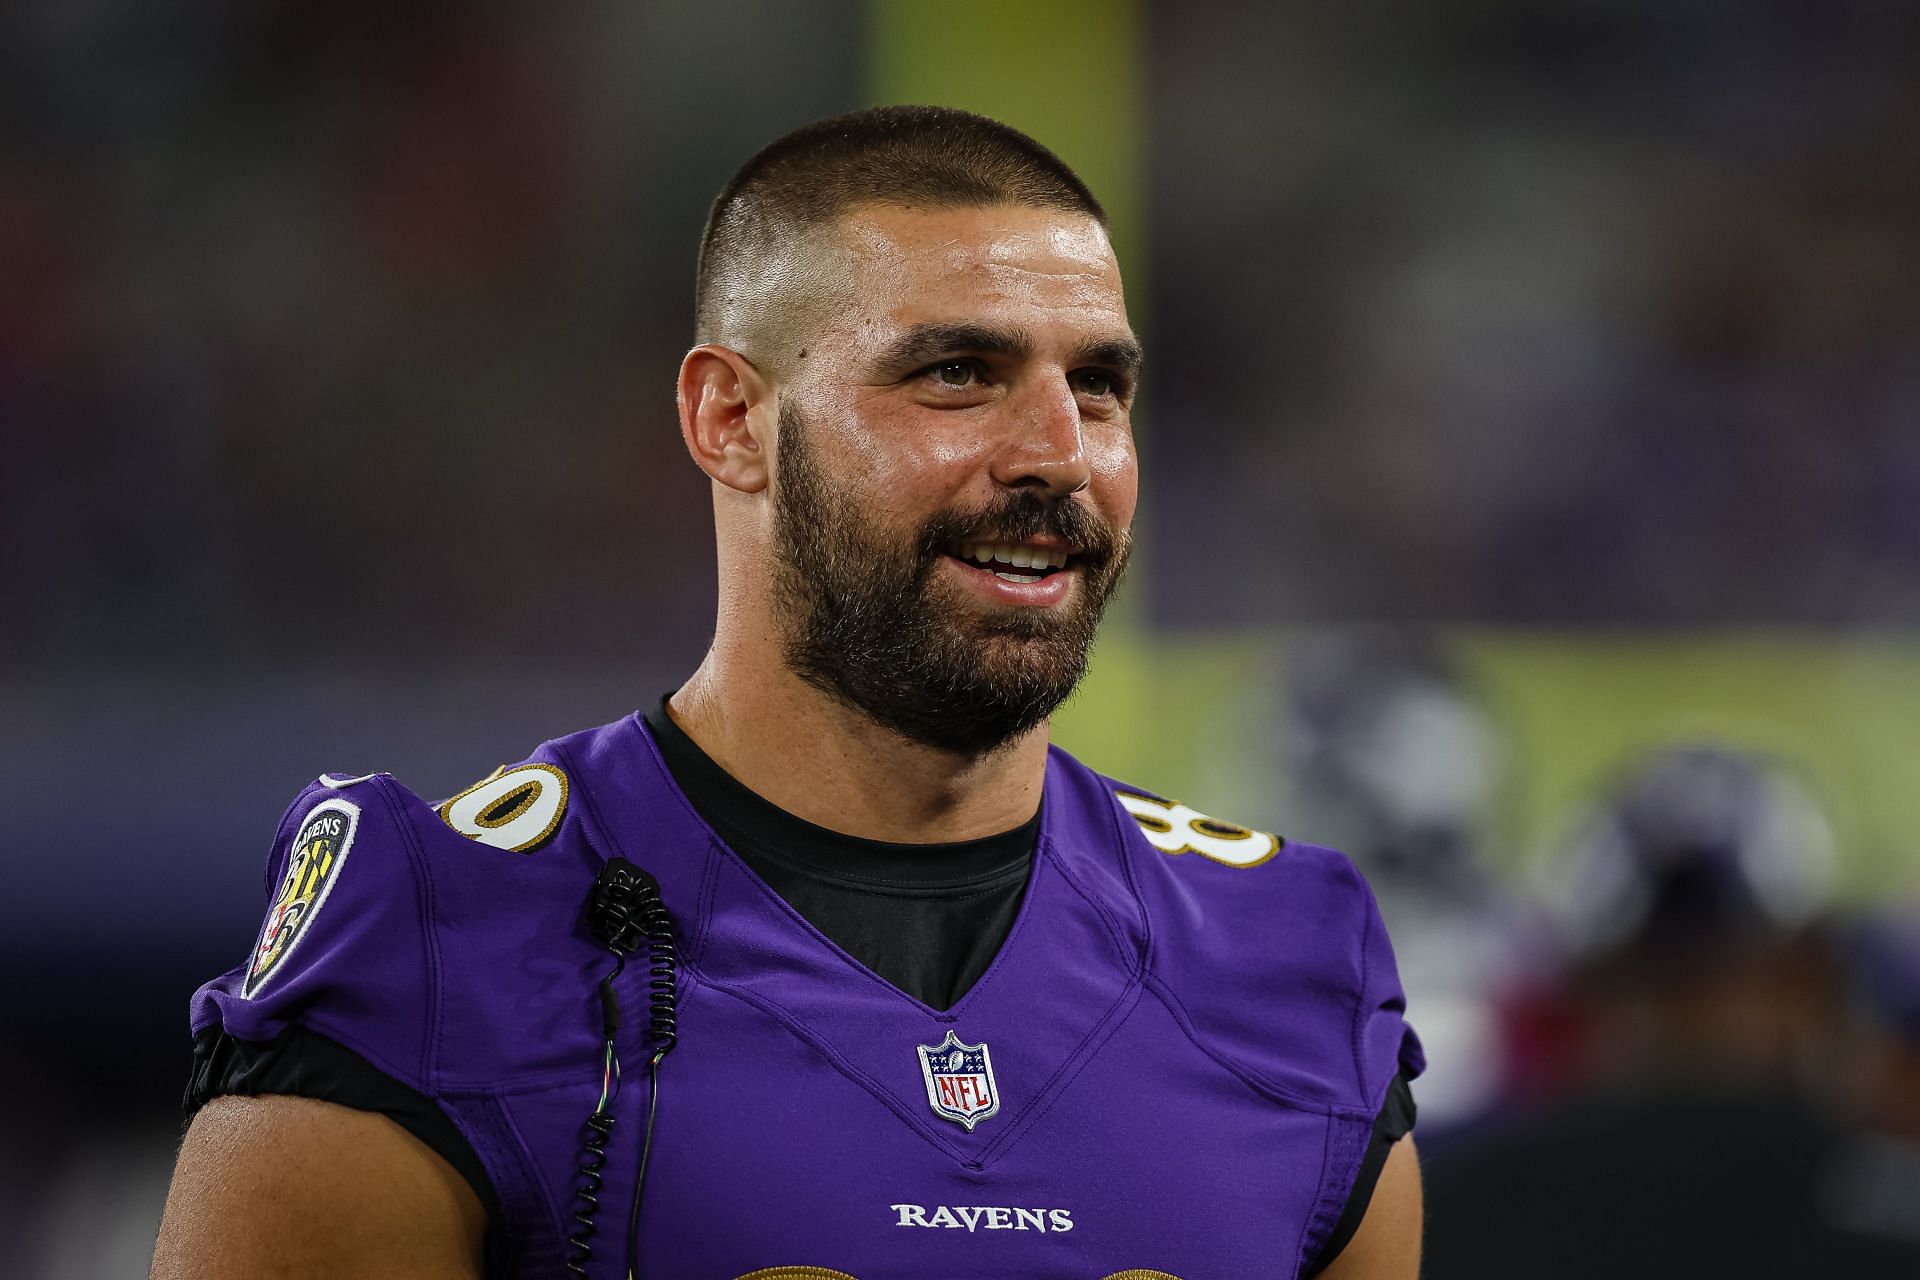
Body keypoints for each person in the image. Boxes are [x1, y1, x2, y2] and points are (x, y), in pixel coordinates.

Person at [152, 106, 1423, 1280]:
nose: (1059, 454)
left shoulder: (1284, 961)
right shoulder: (440, 939)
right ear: (731, 419)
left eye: (1098, 385)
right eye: (956, 374)